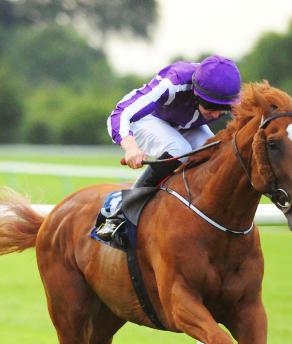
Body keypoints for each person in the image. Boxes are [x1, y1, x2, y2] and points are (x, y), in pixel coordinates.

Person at [97, 55, 241, 239]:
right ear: (196, 92)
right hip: (147, 120)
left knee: (214, 152)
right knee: (178, 149)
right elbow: (120, 114)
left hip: (184, 124)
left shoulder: (231, 95)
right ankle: (121, 212)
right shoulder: (174, 81)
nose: (215, 114)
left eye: (224, 108)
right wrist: (131, 148)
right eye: (210, 106)